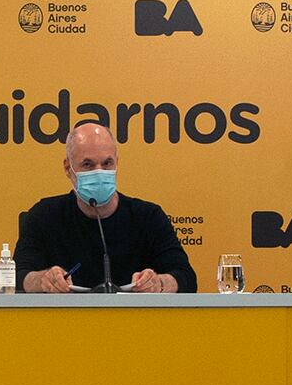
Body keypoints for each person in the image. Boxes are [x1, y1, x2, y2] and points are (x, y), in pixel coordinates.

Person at [13, 122, 195, 293]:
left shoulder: (148, 216)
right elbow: (15, 278)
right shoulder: (44, 215)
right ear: (68, 168)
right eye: (88, 164)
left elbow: (186, 277)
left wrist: (160, 282)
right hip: (62, 323)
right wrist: (43, 280)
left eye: (107, 163)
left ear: (117, 163)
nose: (99, 171)